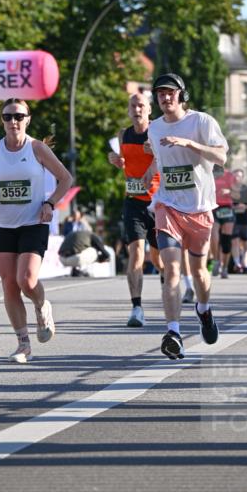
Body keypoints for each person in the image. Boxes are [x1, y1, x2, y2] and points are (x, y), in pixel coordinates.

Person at [0, 98, 72, 363]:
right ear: (2, 120)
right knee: (9, 285)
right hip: (2, 224)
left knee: (26, 280)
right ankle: (23, 344)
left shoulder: (37, 148)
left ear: (27, 119)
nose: (13, 121)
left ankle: (41, 305)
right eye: (7, 117)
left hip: (33, 221)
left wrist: (50, 203)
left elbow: (66, 178)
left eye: (18, 116)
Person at [141, 73, 228, 360]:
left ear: (182, 95)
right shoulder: (153, 128)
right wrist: (150, 172)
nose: (165, 97)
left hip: (200, 208)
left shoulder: (201, 122)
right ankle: (174, 332)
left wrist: (189, 144)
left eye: (170, 92)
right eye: (160, 93)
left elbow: (222, 157)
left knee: (201, 274)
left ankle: (204, 310)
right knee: (172, 269)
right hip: (167, 206)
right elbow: (159, 157)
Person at [107, 92, 164, 327]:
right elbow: (124, 160)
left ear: (149, 109)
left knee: (160, 259)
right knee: (137, 253)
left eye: (141, 105)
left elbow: (165, 158)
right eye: (133, 105)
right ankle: (137, 307)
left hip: (158, 202)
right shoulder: (123, 134)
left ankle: (170, 287)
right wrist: (117, 161)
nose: (137, 109)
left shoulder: (157, 132)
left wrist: (153, 162)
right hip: (133, 201)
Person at [210, 166, 236, 278]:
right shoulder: (208, 172)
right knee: (214, 235)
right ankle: (216, 261)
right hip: (212, 207)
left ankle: (225, 267)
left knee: (226, 240)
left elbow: (237, 194)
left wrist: (229, 191)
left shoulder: (229, 175)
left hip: (226, 208)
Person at [229, 168, 247, 273]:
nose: (236, 178)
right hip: (232, 218)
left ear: (242, 177)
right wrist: (233, 207)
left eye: (239, 176)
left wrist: (245, 206)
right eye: (235, 176)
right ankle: (237, 263)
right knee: (234, 241)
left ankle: (245, 258)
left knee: (245, 242)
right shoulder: (228, 189)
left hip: (244, 219)